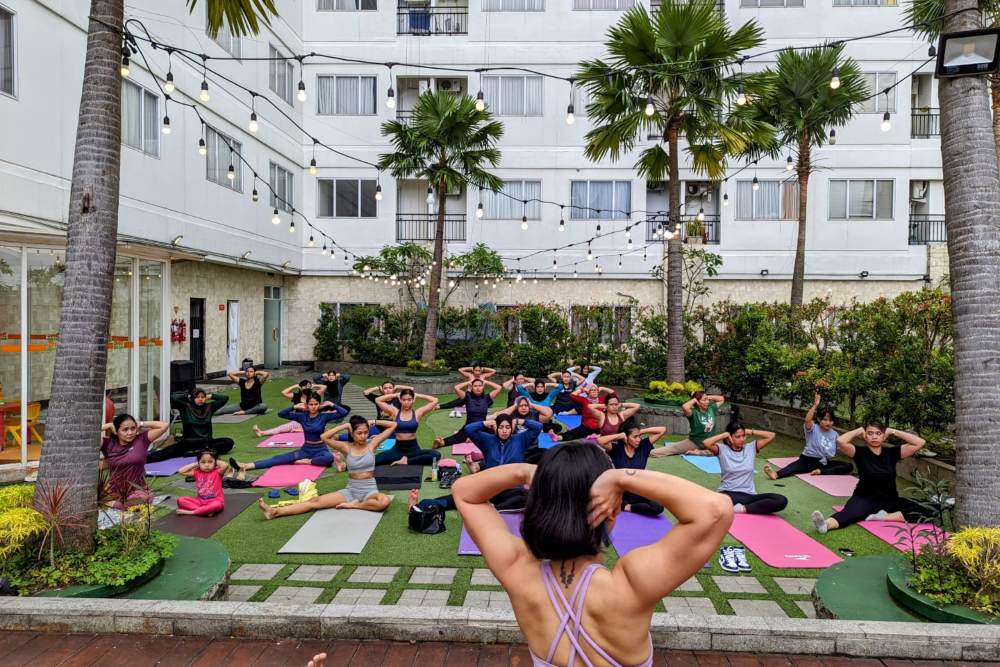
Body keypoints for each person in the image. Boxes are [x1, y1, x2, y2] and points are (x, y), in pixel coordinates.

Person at [453, 443, 733, 667]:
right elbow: (716, 510)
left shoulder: (516, 570)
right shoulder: (632, 584)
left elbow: (464, 492)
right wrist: (620, 476)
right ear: (612, 509)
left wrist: (527, 473)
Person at [257, 416, 398, 519]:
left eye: (365, 432)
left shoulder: (372, 444)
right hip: (351, 490)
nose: (363, 436)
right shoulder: (345, 447)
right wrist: (345, 426)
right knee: (314, 502)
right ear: (352, 433)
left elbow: (393, 425)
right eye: (359, 433)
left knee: (384, 501)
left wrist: (372, 421)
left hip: (370, 490)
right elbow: (324, 437)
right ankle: (274, 512)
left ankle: (354, 505)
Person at [409, 414, 543, 513]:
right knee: (457, 498)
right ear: (496, 428)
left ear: (512, 428)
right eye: (501, 427)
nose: (504, 430)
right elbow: (469, 429)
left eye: (507, 427)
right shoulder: (488, 440)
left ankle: (494, 508)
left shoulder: (520, 440)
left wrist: (519, 421)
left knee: (528, 497)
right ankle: (418, 507)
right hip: (490, 487)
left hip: (512, 490)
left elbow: (538, 427)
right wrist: (486, 423)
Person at [811, 421, 926, 534]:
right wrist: (858, 431)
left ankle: (884, 517)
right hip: (865, 498)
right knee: (850, 513)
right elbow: (840, 441)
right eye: (870, 433)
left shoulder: (892, 453)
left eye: (878, 433)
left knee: (927, 508)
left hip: (890, 500)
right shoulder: (860, 452)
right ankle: (825, 525)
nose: (874, 436)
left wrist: (893, 431)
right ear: (865, 436)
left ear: (884, 436)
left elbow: (920, 443)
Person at [230, 393, 349, 474]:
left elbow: (343, 412)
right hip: (306, 449)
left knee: (328, 458)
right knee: (280, 459)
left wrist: (331, 404)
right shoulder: (302, 416)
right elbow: (281, 414)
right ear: (306, 405)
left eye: (316, 404)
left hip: (321, 449)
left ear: (319, 404)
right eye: (311, 404)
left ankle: (307, 462)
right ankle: (246, 465)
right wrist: (294, 406)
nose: (313, 407)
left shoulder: (324, 416)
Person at [702, 416, 785, 516]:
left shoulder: (751, 448)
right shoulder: (722, 449)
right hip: (728, 493)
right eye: (737, 436)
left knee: (781, 500)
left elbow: (771, 435)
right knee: (710, 505)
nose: (742, 439)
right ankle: (749, 508)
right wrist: (725, 434)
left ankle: (741, 509)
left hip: (749, 495)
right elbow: (706, 443)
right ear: (729, 438)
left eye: (743, 435)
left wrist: (749, 431)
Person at [764, 393, 854, 480]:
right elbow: (807, 420)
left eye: (831, 420)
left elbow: (841, 448)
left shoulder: (835, 434)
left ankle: (821, 472)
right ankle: (776, 474)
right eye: (825, 420)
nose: (828, 423)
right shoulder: (813, 428)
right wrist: (815, 405)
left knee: (848, 466)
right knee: (794, 467)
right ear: (819, 419)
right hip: (808, 460)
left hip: (824, 463)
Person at [596, 424, 668, 516]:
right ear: (626, 437)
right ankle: (623, 504)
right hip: (621, 492)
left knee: (658, 507)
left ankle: (627, 507)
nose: (638, 439)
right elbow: (599, 441)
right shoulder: (617, 449)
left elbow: (662, 429)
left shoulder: (643, 446)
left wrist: (641, 431)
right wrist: (620, 435)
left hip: (637, 489)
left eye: (639, 437)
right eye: (635, 437)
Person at [100, 414, 170, 508]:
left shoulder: (142, 440)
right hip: (114, 491)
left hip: (137, 490)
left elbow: (164, 425)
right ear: (116, 431)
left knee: (140, 500)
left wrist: (141, 423)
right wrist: (108, 425)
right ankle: (116, 502)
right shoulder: (107, 444)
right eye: (125, 429)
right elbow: (86, 435)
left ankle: (113, 504)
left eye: (133, 428)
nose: (130, 432)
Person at [147, 388, 235, 462]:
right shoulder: (185, 407)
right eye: (197, 397)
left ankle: (197, 452)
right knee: (166, 453)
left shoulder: (210, 407)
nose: (200, 399)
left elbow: (225, 398)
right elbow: (173, 398)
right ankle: (200, 452)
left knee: (228, 442)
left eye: (202, 397)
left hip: (206, 442)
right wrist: (187, 396)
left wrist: (210, 396)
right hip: (188, 443)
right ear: (193, 397)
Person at [374, 389, 441, 466]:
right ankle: (407, 459)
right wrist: (396, 395)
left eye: (409, 400)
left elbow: (435, 400)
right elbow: (378, 400)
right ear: (400, 400)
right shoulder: (395, 412)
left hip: (414, 449)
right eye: (404, 400)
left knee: (436, 455)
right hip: (397, 449)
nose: (406, 402)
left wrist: (417, 395)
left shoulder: (417, 413)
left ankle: (407, 461)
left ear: (413, 400)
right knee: (375, 461)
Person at [650, 390, 726, 458]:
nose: (708, 401)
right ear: (698, 401)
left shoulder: (711, 408)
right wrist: (694, 399)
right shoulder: (693, 412)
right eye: (704, 400)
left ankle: (698, 453)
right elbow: (685, 407)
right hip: (694, 442)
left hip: (709, 443)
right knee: (673, 448)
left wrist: (706, 396)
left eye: (707, 400)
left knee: (721, 451)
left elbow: (721, 399)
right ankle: (648, 451)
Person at [433, 378, 504, 450]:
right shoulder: (467, 397)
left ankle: (495, 444)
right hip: (469, 426)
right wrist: (468, 382)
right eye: (475, 386)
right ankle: (440, 443)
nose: (478, 388)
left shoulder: (487, 398)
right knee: (456, 438)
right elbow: (456, 388)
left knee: (497, 434)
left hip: (482, 426)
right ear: (472, 387)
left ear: (483, 387)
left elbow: (499, 388)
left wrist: (486, 381)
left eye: (480, 386)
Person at [175, 450, 229, 516]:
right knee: (180, 500)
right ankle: (205, 511)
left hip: (215, 501)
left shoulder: (218, 472)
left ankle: (191, 512)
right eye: (203, 462)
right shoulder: (197, 472)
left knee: (217, 505)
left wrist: (213, 459)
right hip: (200, 501)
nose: (206, 465)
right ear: (199, 463)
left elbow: (225, 465)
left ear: (215, 463)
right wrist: (197, 463)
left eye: (210, 462)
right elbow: (181, 471)